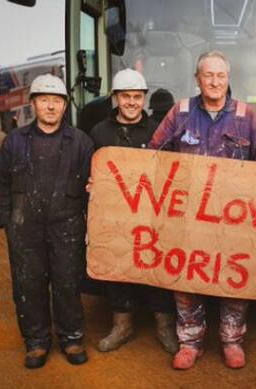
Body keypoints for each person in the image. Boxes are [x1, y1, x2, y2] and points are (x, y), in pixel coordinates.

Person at [149, 51, 256, 370]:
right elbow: (151, 159)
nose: (214, 81)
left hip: (234, 220)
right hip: (185, 217)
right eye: (208, 75)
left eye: (220, 76)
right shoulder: (180, 112)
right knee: (184, 276)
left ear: (228, 79)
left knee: (234, 276)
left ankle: (232, 340)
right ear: (197, 79)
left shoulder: (247, 116)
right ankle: (190, 341)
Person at [0, 74, 93, 369]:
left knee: (67, 283)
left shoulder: (81, 142)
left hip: (68, 226)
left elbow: (94, 187)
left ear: (65, 106)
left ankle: (71, 338)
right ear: (33, 103)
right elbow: (0, 184)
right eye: (44, 100)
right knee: (28, 284)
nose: (51, 106)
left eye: (57, 101)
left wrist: (88, 225)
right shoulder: (14, 141)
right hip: (25, 228)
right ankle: (36, 342)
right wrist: (6, 221)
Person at [89, 69, 178, 354]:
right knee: (117, 267)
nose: (131, 102)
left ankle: (164, 326)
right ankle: (122, 325)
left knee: (157, 268)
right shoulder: (99, 133)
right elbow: (90, 172)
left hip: (152, 216)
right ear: (115, 98)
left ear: (144, 99)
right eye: (125, 96)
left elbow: (173, 173)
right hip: (114, 217)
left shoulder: (158, 131)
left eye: (137, 97)